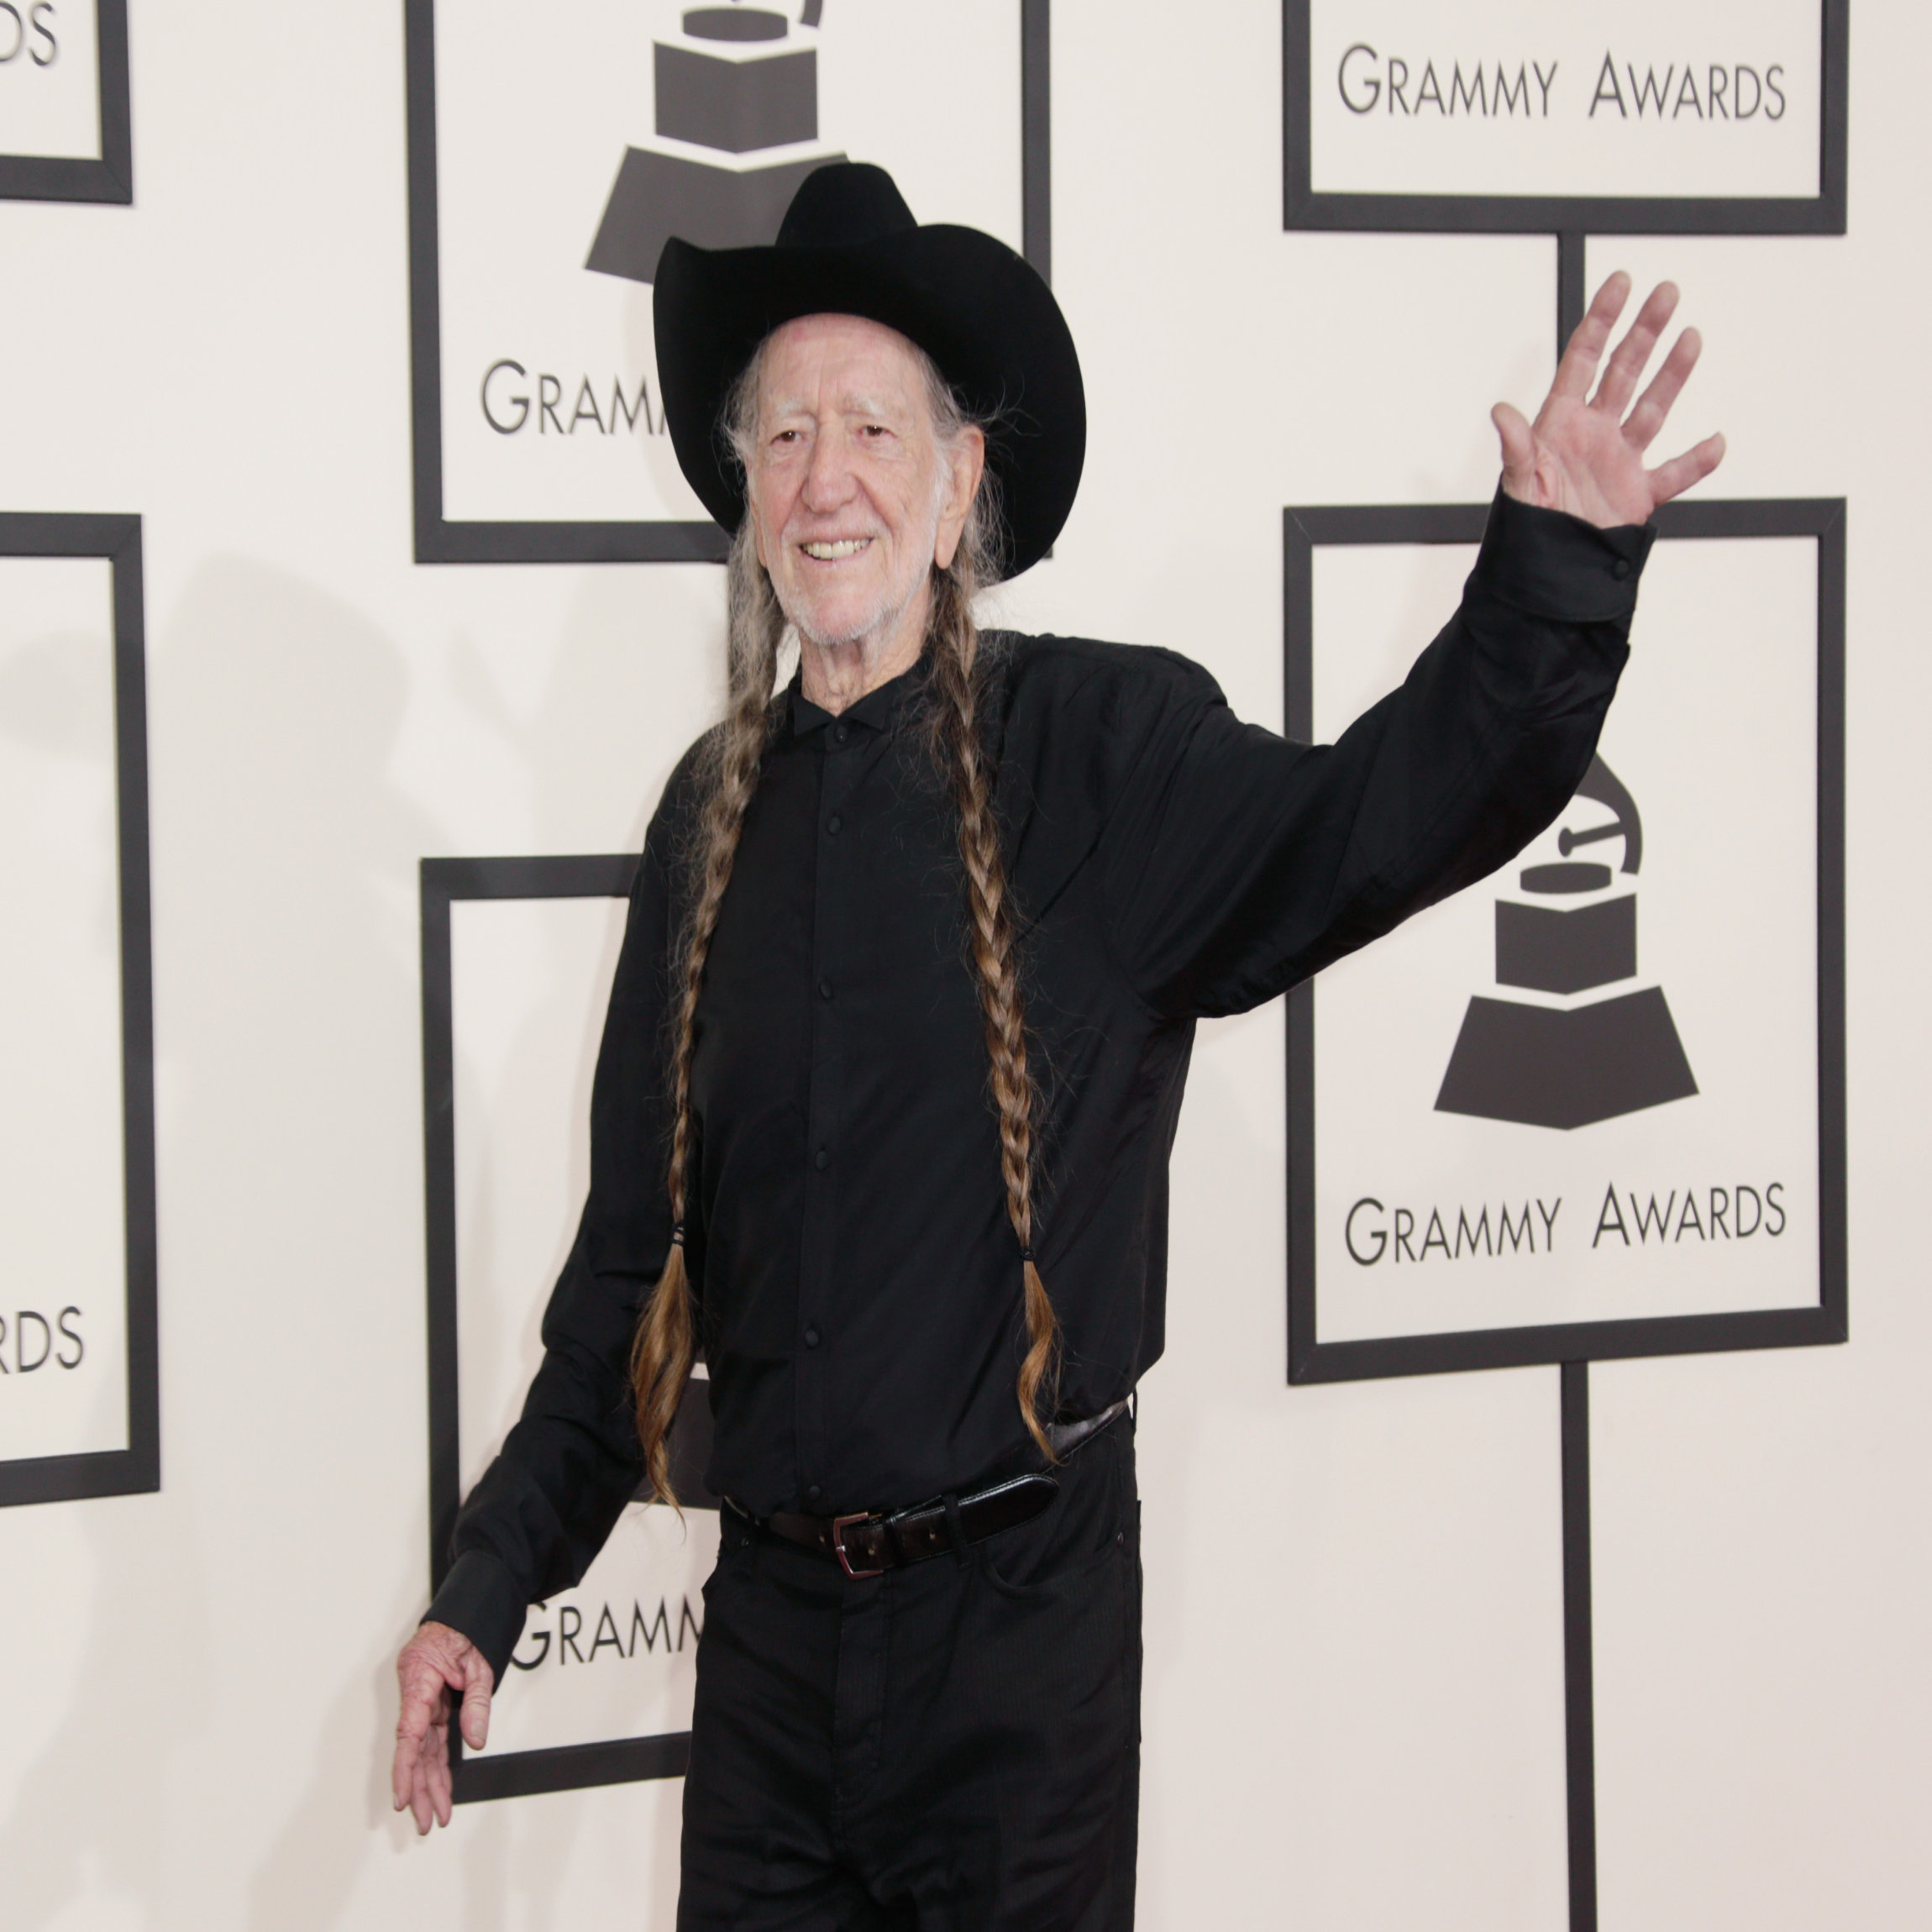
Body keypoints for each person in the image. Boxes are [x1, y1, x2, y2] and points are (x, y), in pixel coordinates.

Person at [390, 162, 1722, 1926]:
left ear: (958, 493)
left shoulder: (1103, 753)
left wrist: (1552, 571)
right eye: (783, 435)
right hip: (775, 1656)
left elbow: (1377, 821)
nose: (822, 477)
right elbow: (634, 1271)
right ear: (750, 498)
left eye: (872, 425)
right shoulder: (703, 824)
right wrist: (485, 1585)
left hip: (1021, 1654)